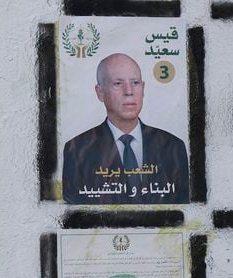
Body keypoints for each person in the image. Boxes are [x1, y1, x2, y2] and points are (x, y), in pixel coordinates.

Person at [62, 53, 189, 204]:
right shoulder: (77, 150)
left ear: (143, 88)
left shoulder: (173, 146)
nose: (129, 91)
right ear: (100, 92)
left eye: (135, 83)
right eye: (118, 83)